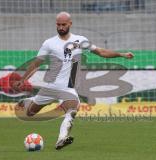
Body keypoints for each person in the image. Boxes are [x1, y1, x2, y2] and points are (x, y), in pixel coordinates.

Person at [13, 11, 134, 150]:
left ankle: (61, 138)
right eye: (58, 24)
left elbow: (101, 52)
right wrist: (23, 79)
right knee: (30, 113)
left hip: (68, 87)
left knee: (74, 108)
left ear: (70, 23)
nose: (61, 27)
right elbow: (36, 64)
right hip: (51, 86)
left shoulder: (80, 40)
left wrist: (122, 54)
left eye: (63, 24)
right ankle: (31, 100)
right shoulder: (49, 43)